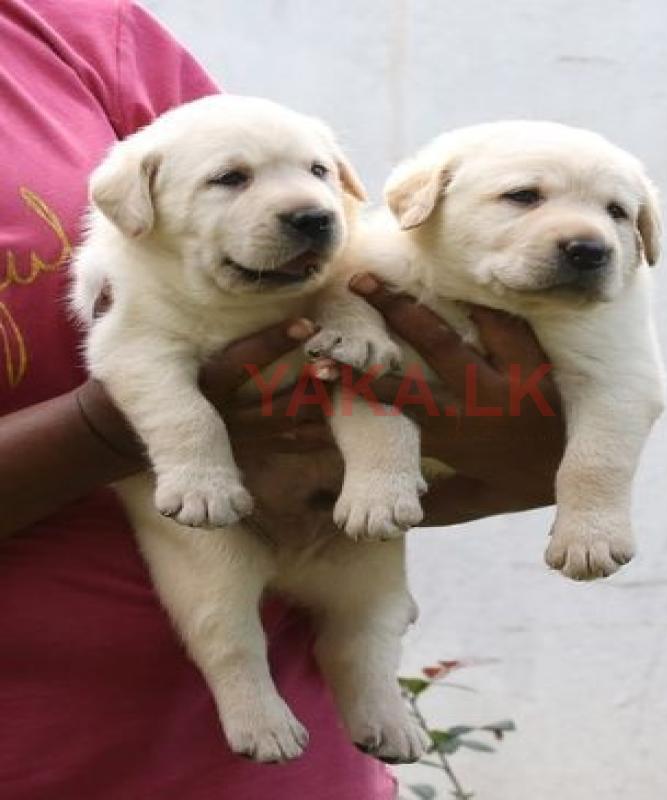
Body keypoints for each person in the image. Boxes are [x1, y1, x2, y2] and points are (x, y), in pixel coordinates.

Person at [0, 1, 564, 798]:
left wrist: (521, 458)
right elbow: (141, 363)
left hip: (270, 766)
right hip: (41, 749)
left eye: (322, 178)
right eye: (233, 181)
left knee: (367, 587)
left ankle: (365, 680)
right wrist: (109, 430)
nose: (306, 203)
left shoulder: (77, 26)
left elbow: (485, 453)